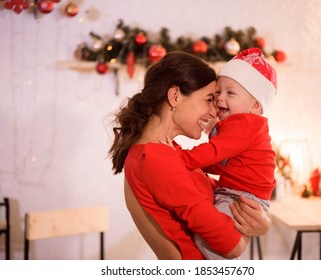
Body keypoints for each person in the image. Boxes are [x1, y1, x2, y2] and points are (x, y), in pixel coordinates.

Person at [109, 51, 271, 260]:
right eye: (209, 99)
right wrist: (256, 229)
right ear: (175, 96)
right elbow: (232, 247)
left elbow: (228, 196)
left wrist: (261, 221)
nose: (215, 112)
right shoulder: (156, 158)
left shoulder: (168, 152)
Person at [162, 48, 277, 259]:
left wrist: (178, 158)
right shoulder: (239, 125)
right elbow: (221, 161)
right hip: (236, 192)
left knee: (209, 242)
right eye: (216, 94)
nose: (219, 99)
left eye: (230, 93)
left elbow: (214, 153)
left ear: (255, 105)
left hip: (242, 197)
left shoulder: (246, 124)